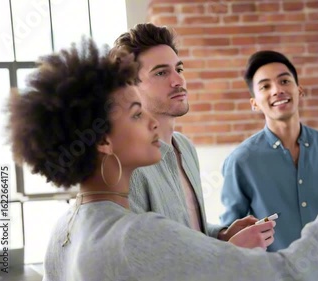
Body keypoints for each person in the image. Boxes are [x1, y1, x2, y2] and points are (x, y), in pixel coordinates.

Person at [7, 37, 318, 281]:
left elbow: (179, 249)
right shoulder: (136, 234)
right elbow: (294, 272)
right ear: (104, 141)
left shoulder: (63, 232)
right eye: (136, 113)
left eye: (178, 68)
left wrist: (219, 241)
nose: (152, 124)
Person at [111, 23, 263, 247]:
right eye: (162, 73)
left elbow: (186, 229)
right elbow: (141, 257)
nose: (178, 81)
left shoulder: (185, 147)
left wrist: (221, 235)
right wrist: (227, 253)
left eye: (179, 69)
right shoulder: (127, 163)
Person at [220, 50, 318, 280]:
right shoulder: (241, 161)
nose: (277, 90)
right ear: (255, 103)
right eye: (265, 86)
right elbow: (231, 234)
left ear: (299, 90)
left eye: (284, 81)